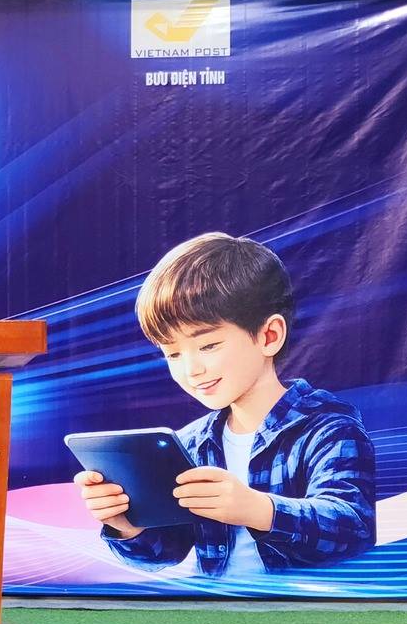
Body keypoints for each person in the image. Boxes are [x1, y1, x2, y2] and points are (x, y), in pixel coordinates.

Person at [74, 233, 377, 576]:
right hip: (217, 606)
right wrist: (126, 525)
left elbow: (352, 528)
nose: (192, 369)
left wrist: (257, 509)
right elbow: (165, 551)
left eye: (208, 346)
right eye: (173, 354)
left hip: (304, 606)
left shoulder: (328, 429)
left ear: (269, 336)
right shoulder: (190, 443)